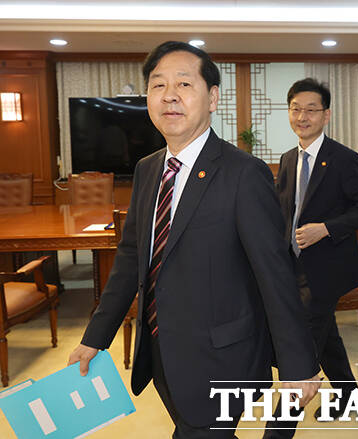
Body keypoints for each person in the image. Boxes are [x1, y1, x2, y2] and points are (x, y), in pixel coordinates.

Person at [67, 41, 320, 439]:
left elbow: (275, 273)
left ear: (213, 98)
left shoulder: (243, 174)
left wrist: (298, 364)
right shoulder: (148, 169)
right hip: (161, 351)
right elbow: (131, 257)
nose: (169, 95)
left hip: (220, 359)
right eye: (158, 85)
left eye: (184, 84)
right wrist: (95, 337)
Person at [263, 78, 358, 438]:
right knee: (325, 338)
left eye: (311, 110)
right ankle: (347, 396)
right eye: (296, 109)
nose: (303, 116)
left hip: (325, 271)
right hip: (292, 268)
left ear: (326, 115)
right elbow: (284, 211)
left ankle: (277, 432)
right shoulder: (288, 158)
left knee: (301, 354)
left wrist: (326, 228)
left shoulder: (343, 158)